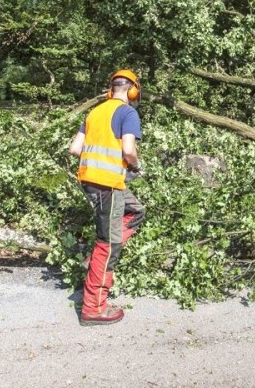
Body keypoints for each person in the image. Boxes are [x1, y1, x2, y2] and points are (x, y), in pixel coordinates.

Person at [69, 69, 146, 326]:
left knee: (136, 210)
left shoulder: (94, 112)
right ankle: (94, 307)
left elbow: (74, 149)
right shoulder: (127, 112)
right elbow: (128, 149)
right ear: (133, 90)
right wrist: (134, 166)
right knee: (108, 243)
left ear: (111, 88)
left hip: (91, 181)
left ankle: (94, 261)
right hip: (108, 186)